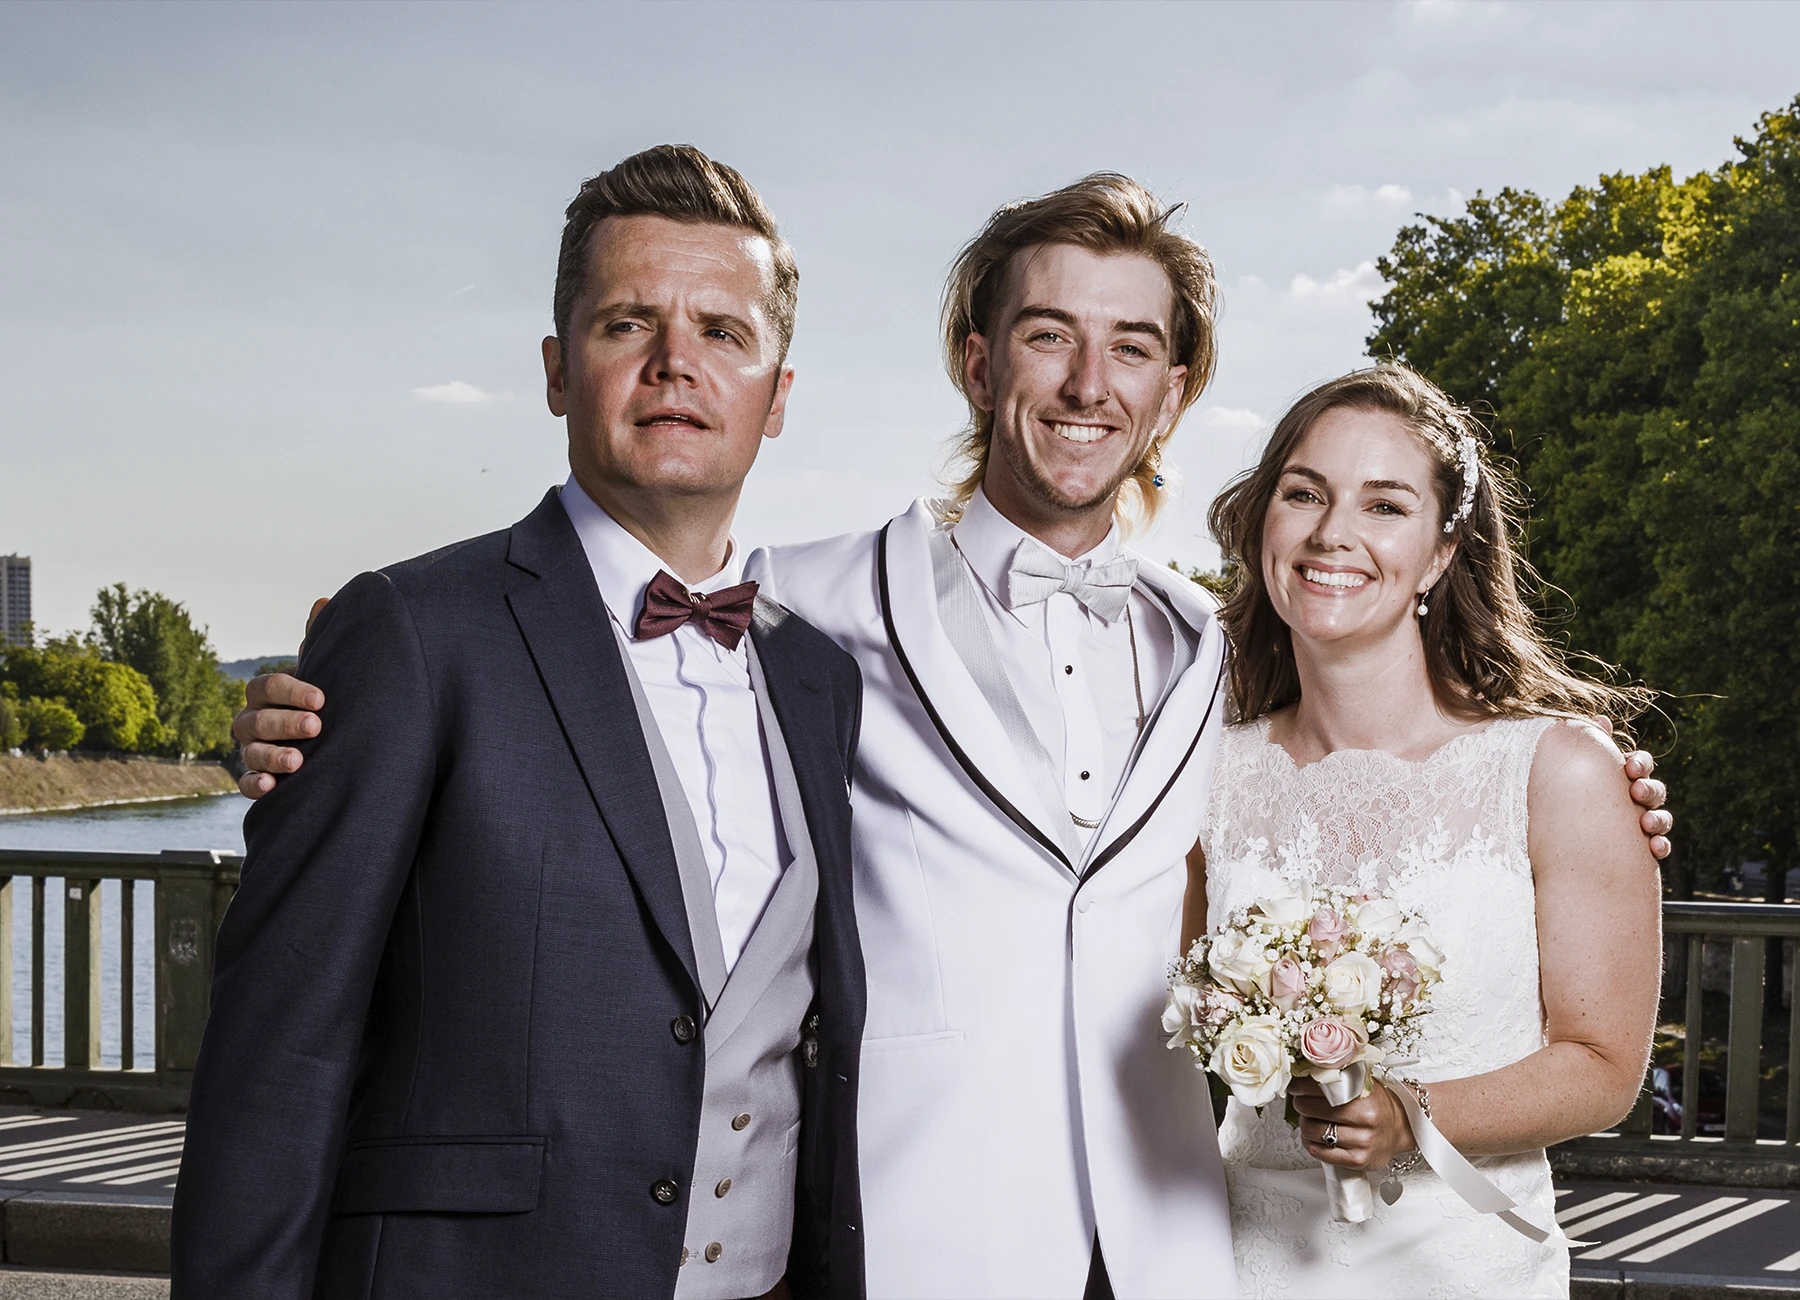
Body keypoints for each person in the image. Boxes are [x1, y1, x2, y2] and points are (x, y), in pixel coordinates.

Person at [234, 177, 1674, 1300]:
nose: (1086, 383)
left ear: (1174, 393)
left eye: (1134, 348)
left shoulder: (1211, 653)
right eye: (1048, 335)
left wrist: (1595, 809)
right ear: (979, 363)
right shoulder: (801, 599)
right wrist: (316, 712)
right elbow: (582, 647)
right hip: (921, 1235)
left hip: (1183, 1243)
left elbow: (1391, 771)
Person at [172, 146, 867, 1300]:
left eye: (723, 334)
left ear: (778, 394)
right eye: (626, 323)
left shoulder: (819, 677)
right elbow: (278, 1055)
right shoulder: (409, 630)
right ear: (557, 369)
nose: (674, 366)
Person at [1194, 364, 1663, 1299]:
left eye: (1385, 506)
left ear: (1442, 554)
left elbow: (1605, 1067)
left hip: (1467, 1271)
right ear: (1263, 524)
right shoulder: (1198, 772)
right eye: (1304, 494)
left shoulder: (1556, 771)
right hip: (1241, 1264)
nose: (1334, 534)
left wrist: (1412, 1113)